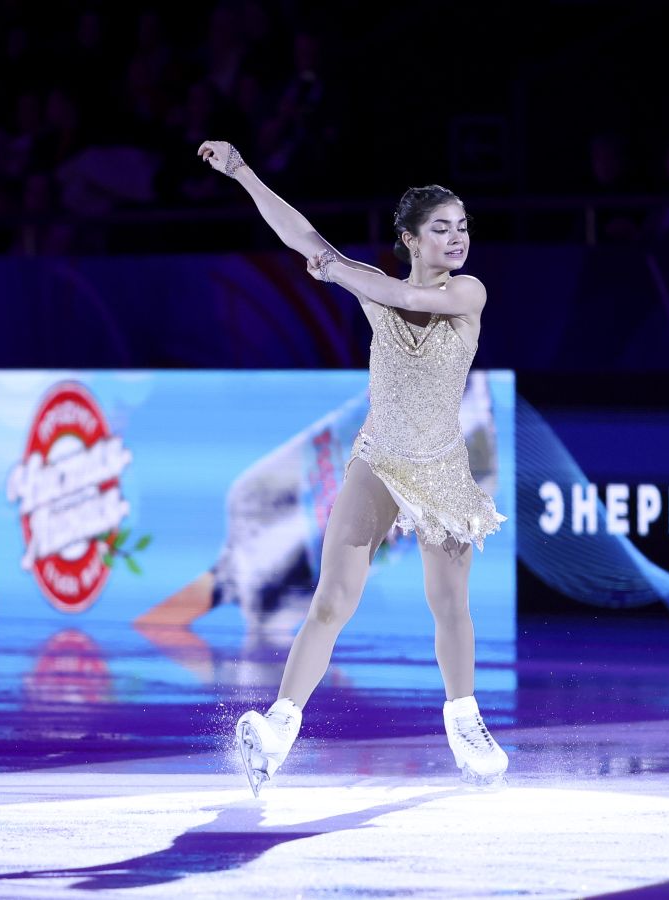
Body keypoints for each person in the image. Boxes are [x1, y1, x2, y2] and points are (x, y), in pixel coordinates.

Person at [196, 139, 509, 795]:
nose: (457, 238)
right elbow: (301, 237)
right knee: (332, 598)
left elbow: (398, 292)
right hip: (379, 458)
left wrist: (337, 270)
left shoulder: (467, 292)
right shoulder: (375, 288)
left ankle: (466, 723)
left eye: (462, 226)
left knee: (449, 604)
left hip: (441, 466)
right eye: (441, 228)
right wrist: (243, 172)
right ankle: (279, 728)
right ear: (410, 239)